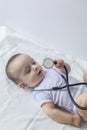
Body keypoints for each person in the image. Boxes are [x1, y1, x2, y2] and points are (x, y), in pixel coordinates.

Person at [5, 53, 87, 127]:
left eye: (33, 62)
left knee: (86, 73)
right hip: (81, 106)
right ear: (24, 85)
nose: (35, 67)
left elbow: (67, 70)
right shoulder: (40, 93)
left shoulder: (50, 71)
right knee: (83, 100)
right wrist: (72, 119)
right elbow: (50, 111)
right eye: (28, 70)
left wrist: (62, 65)